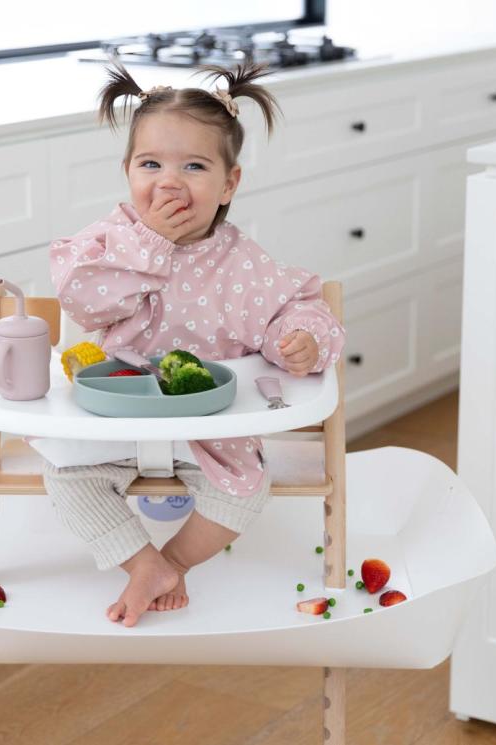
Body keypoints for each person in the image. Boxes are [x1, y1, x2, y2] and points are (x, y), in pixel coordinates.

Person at [40, 61, 346, 627]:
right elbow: (81, 296)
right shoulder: (111, 241)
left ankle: (170, 562)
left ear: (230, 182)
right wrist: (150, 242)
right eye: (151, 163)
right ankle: (140, 561)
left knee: (246, 491)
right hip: (120, 410)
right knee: (63, 477)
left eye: (195, 166)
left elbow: (301, 303)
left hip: (210, 423)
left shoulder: (242, 262)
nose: (170, 181)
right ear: (127, 171)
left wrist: (298, 338)